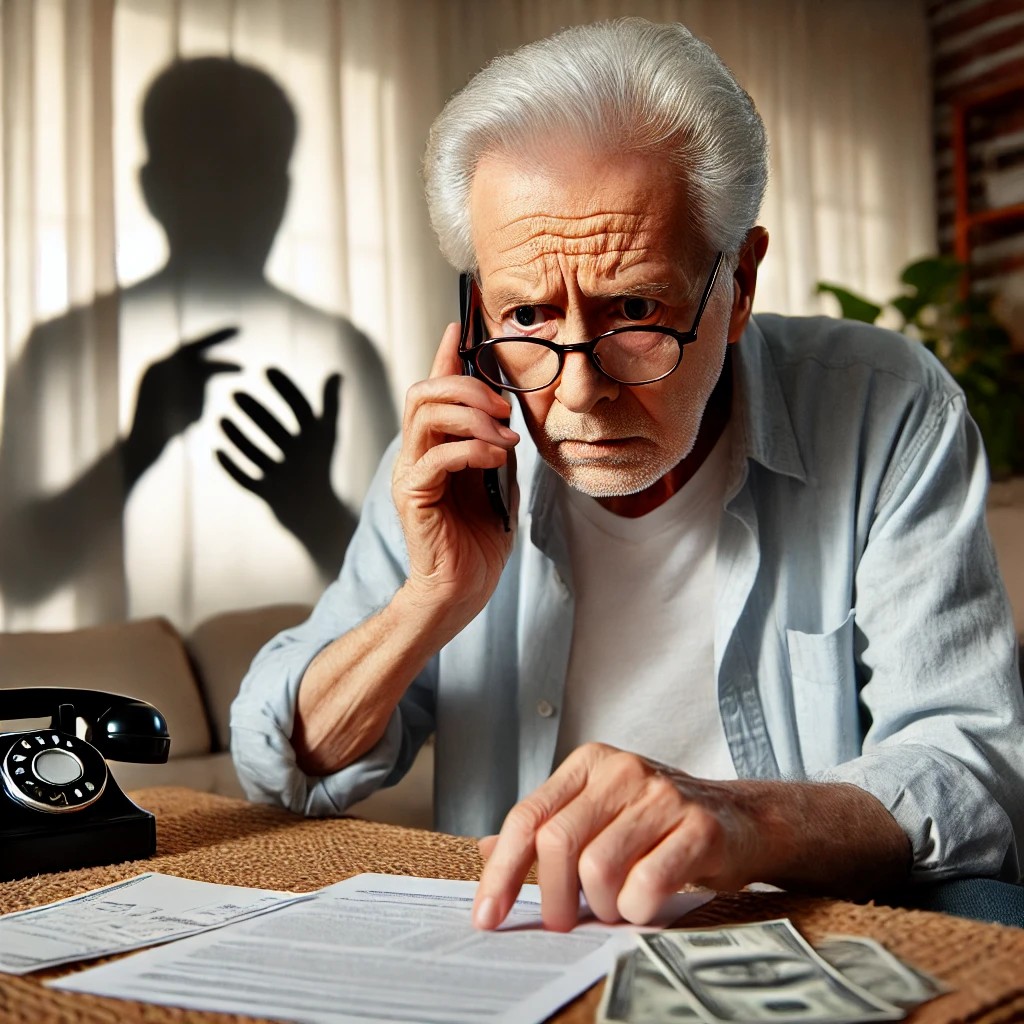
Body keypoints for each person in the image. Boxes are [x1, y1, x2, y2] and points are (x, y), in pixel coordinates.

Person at [231, 19, 1024, 931]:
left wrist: (737, 817)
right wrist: (432, 597)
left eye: (636, 308)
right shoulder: (457, 446)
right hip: (536, 930)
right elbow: (279, 763)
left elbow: (970, 766)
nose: (578, 392)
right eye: (526, 314)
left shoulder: (887, 407)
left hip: (810, 912)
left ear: (740, 284)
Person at [0, 58, 396, 629]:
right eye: (207, 172)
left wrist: (314, 514)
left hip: (310, 698)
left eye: (250, 172)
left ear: (282, 189)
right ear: (154, 186)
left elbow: (404, 595)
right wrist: (137, 451)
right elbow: (19, 579)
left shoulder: (342, 352)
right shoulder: (64, 351)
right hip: (120, 699)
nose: (232, 199)